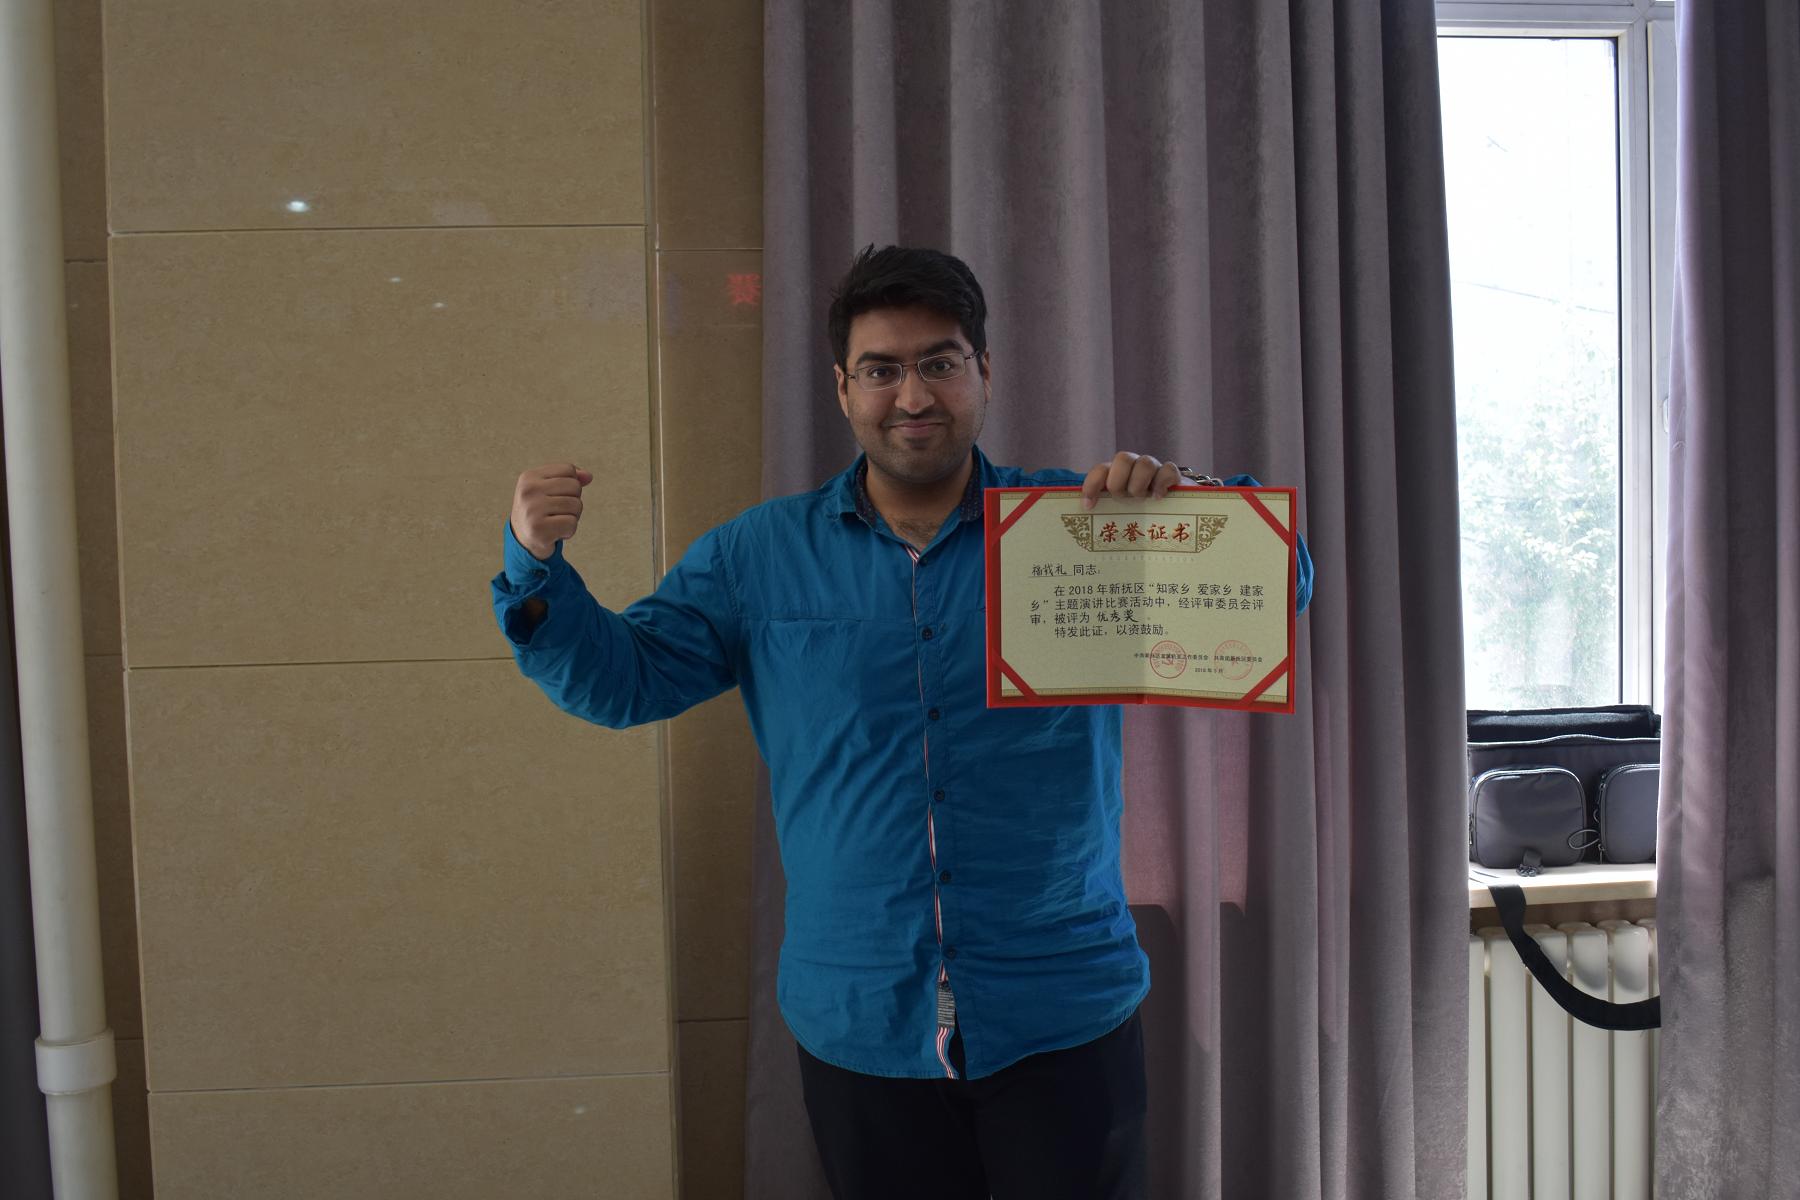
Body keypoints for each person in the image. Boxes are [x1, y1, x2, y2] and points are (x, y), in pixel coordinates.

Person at [491, 245, 1313, 1200]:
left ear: (984, 372)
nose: (912, 395)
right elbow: (621, 683)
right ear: (843, 389)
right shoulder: (756, 556)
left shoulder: (1081, 528)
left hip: (1060, 1003)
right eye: (881, 370)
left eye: (940, 363)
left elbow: (1274, 595)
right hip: (859, 1016)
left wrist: (1194, 507)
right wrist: (532, 561)